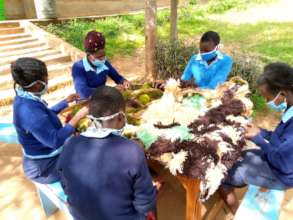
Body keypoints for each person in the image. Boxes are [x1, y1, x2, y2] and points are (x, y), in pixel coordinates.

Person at [57, 86, 156, 220]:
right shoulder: (132, 151)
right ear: (121, 117)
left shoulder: (70, 144)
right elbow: (144, 203)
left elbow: (65, 183)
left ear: (90, 117)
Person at [219, 63, 293, 214]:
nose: (266, 102)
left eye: (268, 98)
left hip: (282, 175)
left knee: (221, 175)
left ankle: (235, 212)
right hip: (280, 160)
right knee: (244, 155)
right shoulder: (290, 105)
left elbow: (283, 164)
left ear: (283, 93)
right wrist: (263, 133)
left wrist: (258, 139)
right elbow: (282, 140)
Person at [12, 57, 88, 184]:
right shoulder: (29, 111)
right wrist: (78, 117)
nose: (48, 81)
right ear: (37, 84)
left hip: (45, 156)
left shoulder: (24, 98)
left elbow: (45, 116)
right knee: (90, 157)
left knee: (82, 143)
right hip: (45, 168)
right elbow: (55, 140)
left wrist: (65, 102)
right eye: (46, 78)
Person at [72, 31, 130, 99]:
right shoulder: (78, 67)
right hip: (86, 102)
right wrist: (110, 91)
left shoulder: (104, 63)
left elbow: (117, 77)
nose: (103, 59)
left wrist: (124, 81)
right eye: (99, 57)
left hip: (103, 99)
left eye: (104, 55)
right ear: (89, 55)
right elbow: (82, 92)